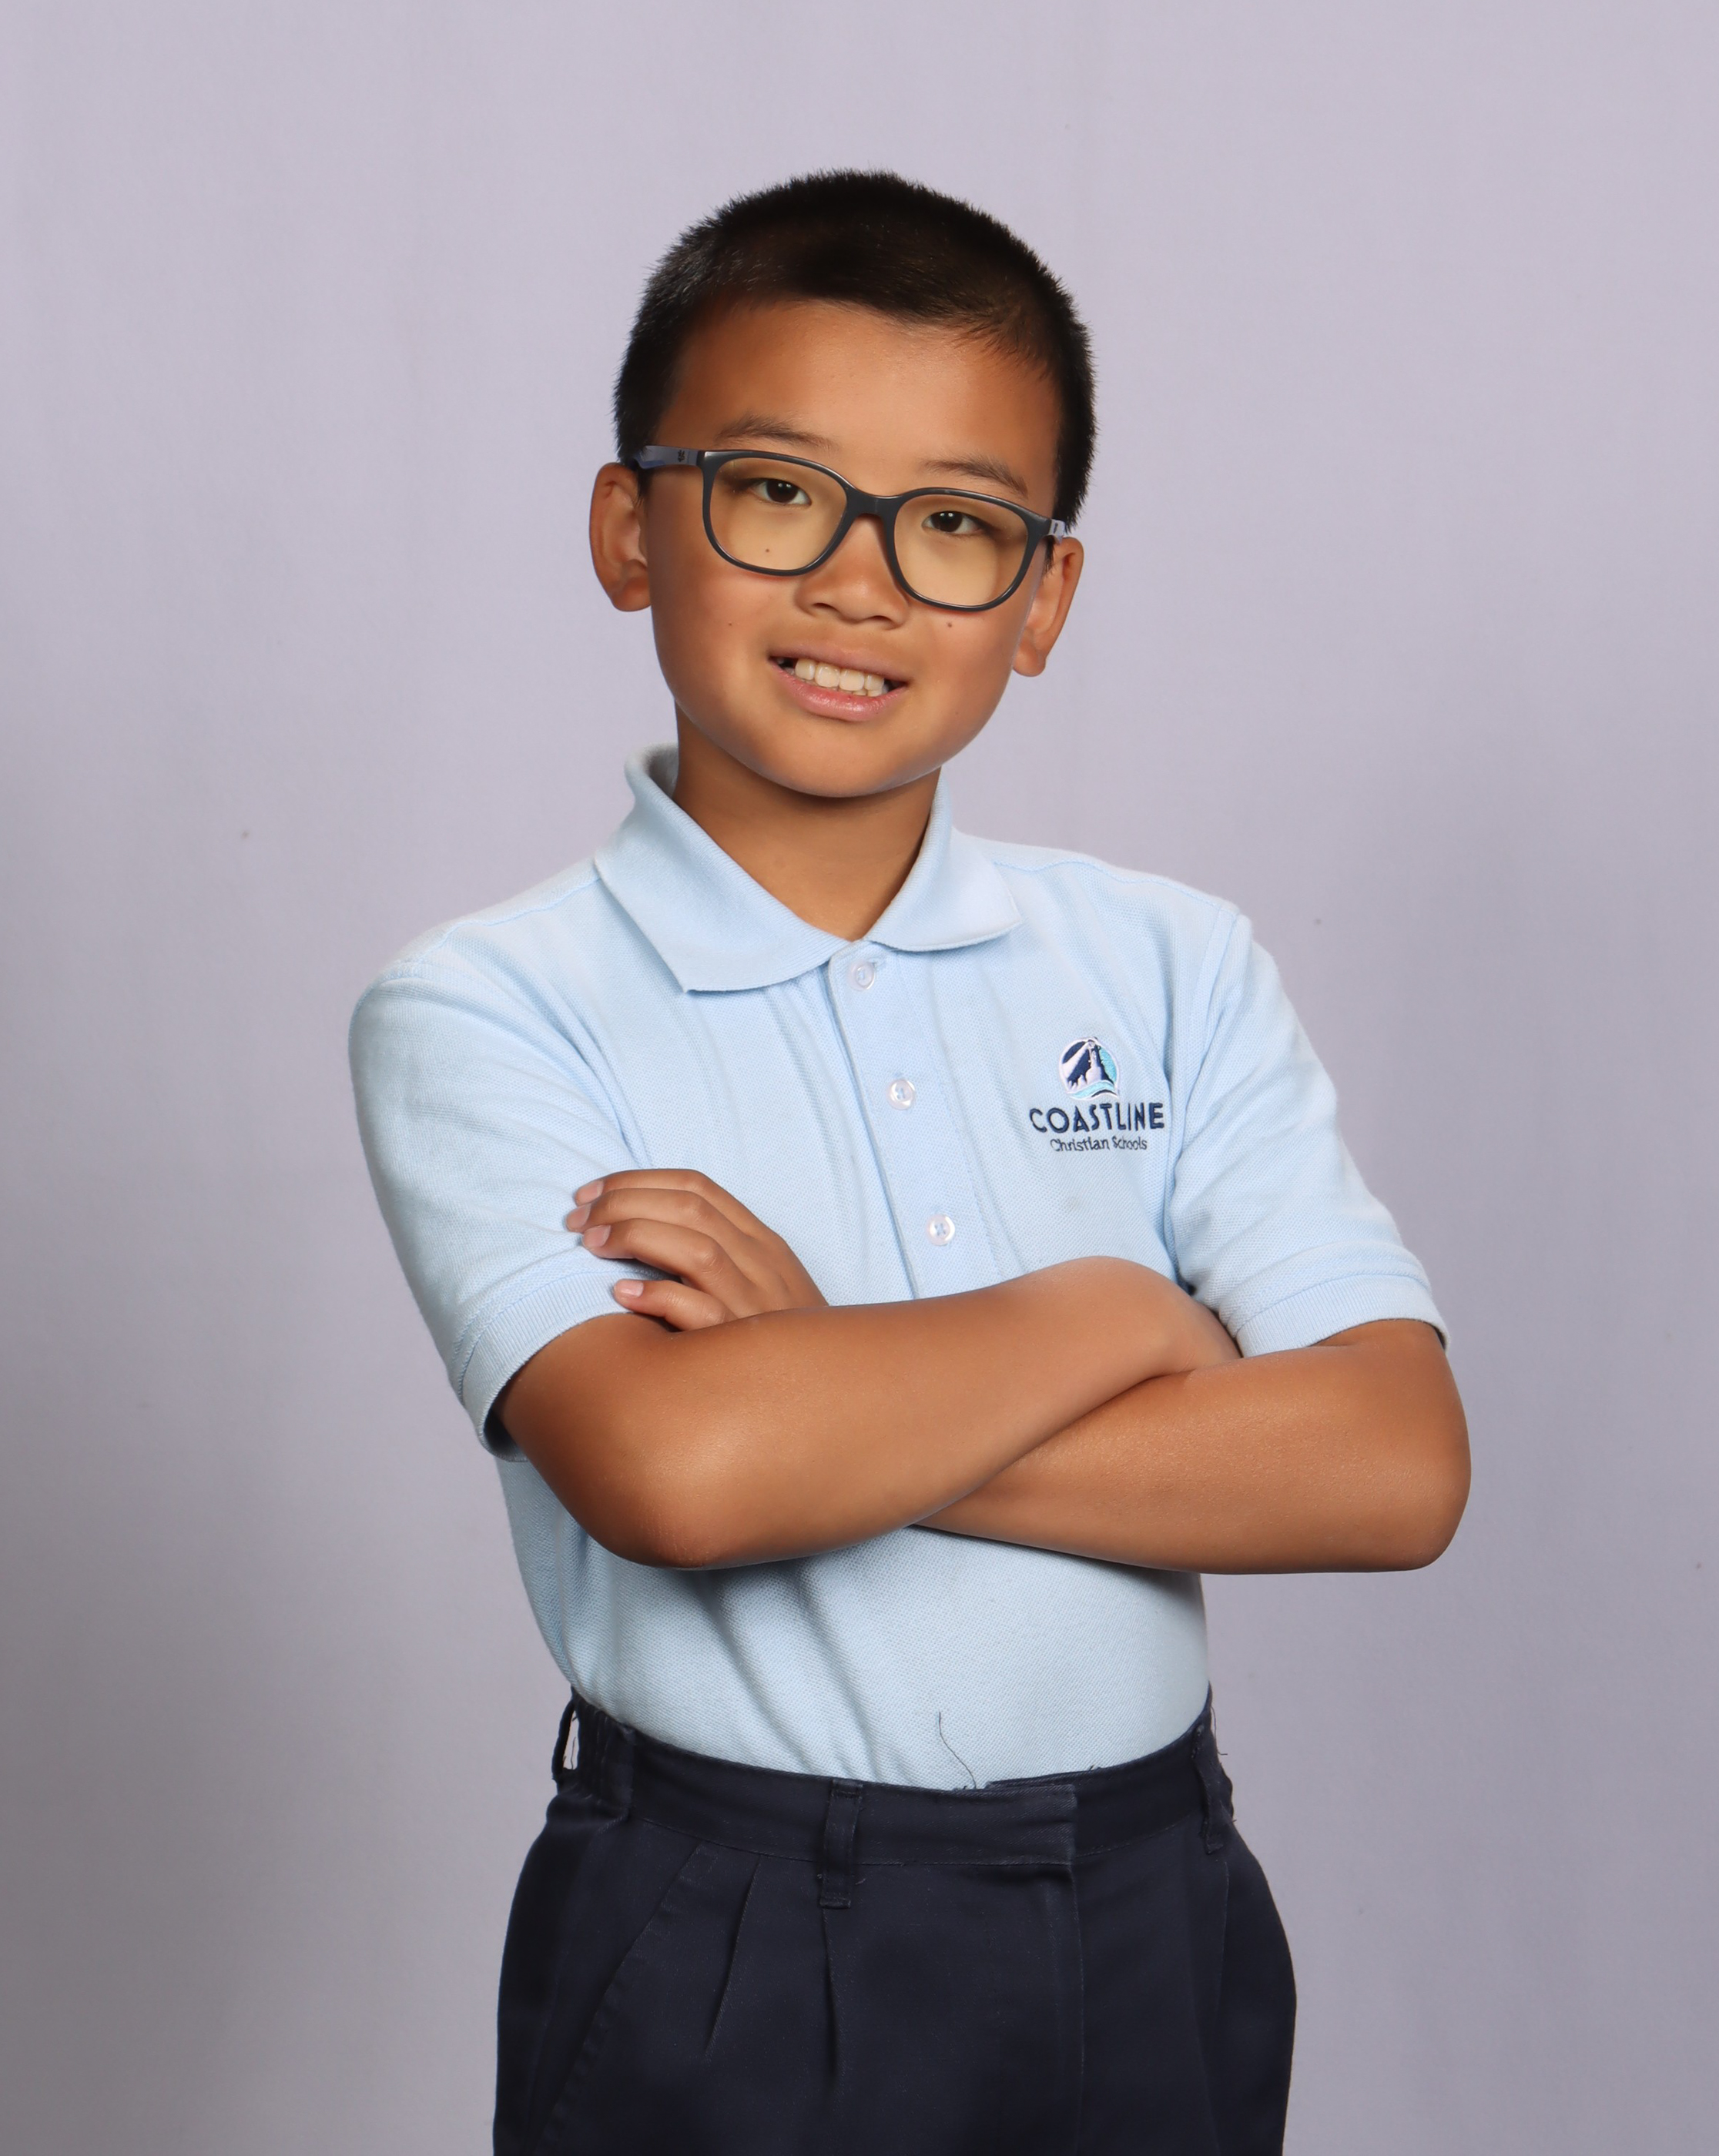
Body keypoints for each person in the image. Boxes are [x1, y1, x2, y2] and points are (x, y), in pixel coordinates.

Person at [350, 170, 1469, 2156]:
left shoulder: (1170, 961)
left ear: (1043, 601)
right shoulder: (490, 1004)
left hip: (1150, 1889)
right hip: (734, 1913)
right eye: (778, 492)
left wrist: (826, 1371)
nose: (862, 584)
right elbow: (682, 1476)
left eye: (957, 524)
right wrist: (1117, 1312)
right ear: (630, 529)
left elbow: (1390, 1469)